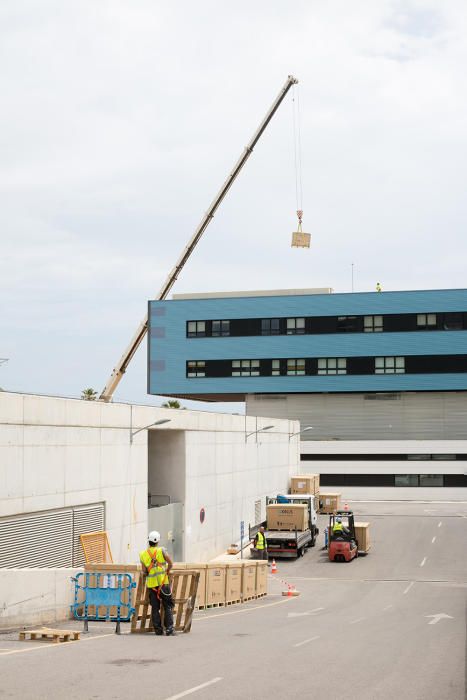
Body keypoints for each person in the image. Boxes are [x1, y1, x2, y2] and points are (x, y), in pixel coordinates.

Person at [139, 530, 175, 636]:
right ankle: (169, 629)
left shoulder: (143, 554)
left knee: (155, 607)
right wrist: (167, 571)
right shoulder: (162, 551)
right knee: (167, 605)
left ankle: (158, 630)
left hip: (152, 585)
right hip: (163, 583)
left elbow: (144, 571)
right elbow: (170, 563)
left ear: (148, 541)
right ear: (158, 541)